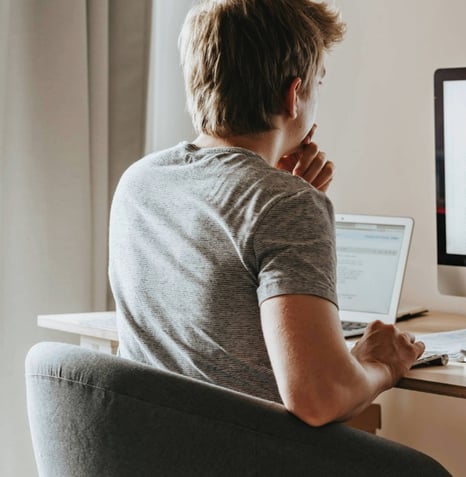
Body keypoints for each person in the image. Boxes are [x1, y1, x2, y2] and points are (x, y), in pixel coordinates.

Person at [108, 0, 429, 431]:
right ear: (293, 95)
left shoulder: (139, 181)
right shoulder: (284, 204)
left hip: (157, 450)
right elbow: (318, 398)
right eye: (318, 82)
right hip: (245, 454)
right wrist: (379, 364)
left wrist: (283, 191)